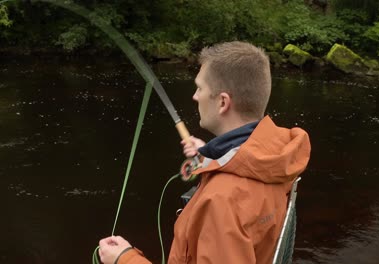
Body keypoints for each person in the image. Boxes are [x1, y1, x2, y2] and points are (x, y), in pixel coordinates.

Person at [98, 41, 311, 264]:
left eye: (200, 88)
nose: (195, 96)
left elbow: (231, 200)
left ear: (222, 102)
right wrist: (209, 157)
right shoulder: (275, 154)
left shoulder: (221, 202)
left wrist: (124, 259)